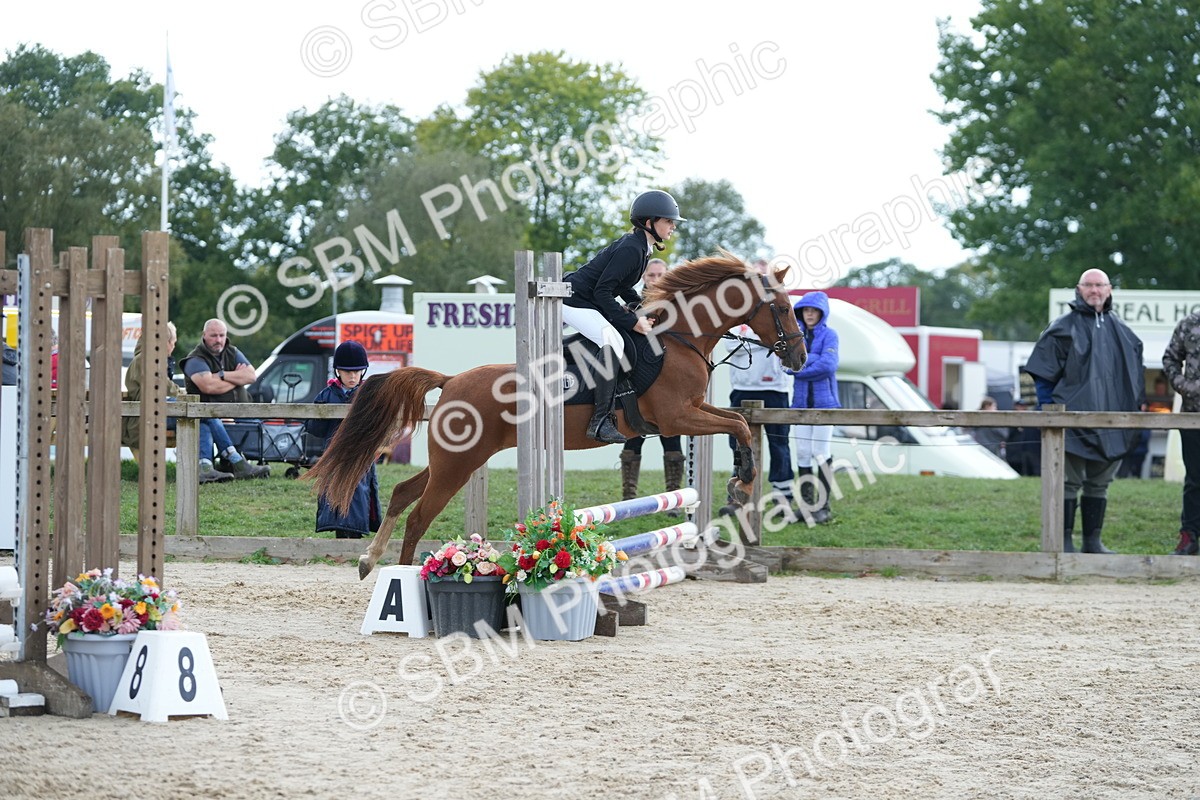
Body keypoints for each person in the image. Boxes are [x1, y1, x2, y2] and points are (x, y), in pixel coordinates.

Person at [1024, 268, 1144, 554]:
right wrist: (1049, 414)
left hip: (1112, 423)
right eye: (1088, 285)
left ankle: (1093, 542)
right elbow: (1044, 376)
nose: (1094, 290)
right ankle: (1063, 542)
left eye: (1099, 285)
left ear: (1109, 289)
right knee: (1068, 483)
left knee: (1099, 485)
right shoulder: (1062, 328)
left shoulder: (1124, 333)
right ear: (1078, 290)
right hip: (1072, 423)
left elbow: (1135, 379)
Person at [563, 189, 683, 444]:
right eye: (668, 221)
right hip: (572, 300)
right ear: (649, 222)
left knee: (613, 337)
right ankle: (600, 421)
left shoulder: (643, 248)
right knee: (612, 341)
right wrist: (632, 321)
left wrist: (637, 304)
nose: (673, 226)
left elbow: (620, 286)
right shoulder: (632, 248)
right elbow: (603, 291)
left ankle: (564, 352)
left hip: (587, 300)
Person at [718, 259, 795, 518]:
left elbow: (784, 340)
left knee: (780, 445)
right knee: (738, 446)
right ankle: (736, 496)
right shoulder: (737, 309)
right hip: (742, 388)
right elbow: (730, 346)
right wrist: (765, 340)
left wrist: (759, 340)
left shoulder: (778, 304)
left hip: (775, 389)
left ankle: (783, 498)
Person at [122, 322, 238, 483]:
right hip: (148, 417)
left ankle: (205, 468)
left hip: (156, 413)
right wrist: (182, 392)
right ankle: (234, 458)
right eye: (173, 343)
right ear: (165, 342)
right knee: (202, 412)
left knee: (200, 419)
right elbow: (163, 387)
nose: (173, 347)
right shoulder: (146, 359)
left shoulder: (149, 358)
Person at [619, 258, 685, 505]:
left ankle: (673, 498)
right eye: (651, 275)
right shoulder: (631, 303)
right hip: (637, 385)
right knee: (631, 438)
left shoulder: (677, 307)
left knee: (672, 439)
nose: (655, 279)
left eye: (660, 275)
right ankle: (627, 497)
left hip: (669, 385)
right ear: (644, 278)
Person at [307, 341, 380, 539]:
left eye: (357, 371)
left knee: (358, 497)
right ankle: (341, 538)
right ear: (338, 371)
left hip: (360, 457)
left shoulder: (371, 395)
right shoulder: (327, 395)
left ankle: (355, 539)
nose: (352, 376)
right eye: (348, 372)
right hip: (335, 456)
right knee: (336, 498)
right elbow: (314, 428)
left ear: (363, 372)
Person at [179, 319, 270, 479]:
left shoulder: (232, 352)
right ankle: (235, 463)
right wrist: (236, 380)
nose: (219, 340)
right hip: (209, 414)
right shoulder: (195, 359)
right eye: (214, 335)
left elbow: (251, 376)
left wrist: (222, 375)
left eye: (222, 335)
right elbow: (208, 386)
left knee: (260, 425)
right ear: (204, 335)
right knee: (208, 420)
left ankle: (209, 467)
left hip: (242, 413)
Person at [787, 291, 840, 525]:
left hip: (825, 405)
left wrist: (800, 368)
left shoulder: (830, 335)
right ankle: (807, 506)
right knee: (802, 452)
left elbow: (829, 365)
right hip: (799, 404)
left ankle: (823, 507)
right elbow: (787, 362)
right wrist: (812, 360)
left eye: (813, 310)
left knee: (821, 452)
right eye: (805, 310)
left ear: (821, 313)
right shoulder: (794, 335)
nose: (809, 314)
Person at [1163, 309, 1200, 555]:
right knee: (1195, 478)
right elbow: (1170, 360)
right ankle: (1189, 537)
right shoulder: (1189, 324)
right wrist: (1185, 387)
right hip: (1193, 415)